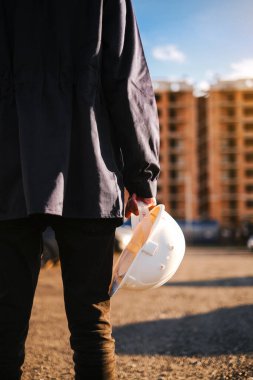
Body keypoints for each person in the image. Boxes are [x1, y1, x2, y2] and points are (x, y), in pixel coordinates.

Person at [0, 0, 160, 379]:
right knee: (92, 324)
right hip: (88, 168)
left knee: (3, 325)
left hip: (8, 166)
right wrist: (141, 177)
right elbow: (128, 83)